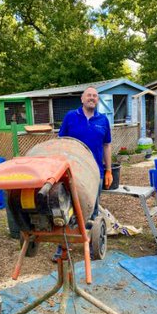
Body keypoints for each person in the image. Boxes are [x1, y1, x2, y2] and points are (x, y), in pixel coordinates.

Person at [59, 86, 114, 216]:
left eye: (95, 96)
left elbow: (107, 145)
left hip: (95, 171)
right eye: (89, 95)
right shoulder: (71, 116)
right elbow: (61, 142)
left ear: (98, 100)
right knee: (71, 206)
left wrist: (109, 171)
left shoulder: (103, 120)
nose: (92, 98)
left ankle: (92, 231)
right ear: (82, 99)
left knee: (92, 206)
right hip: (72, 170)